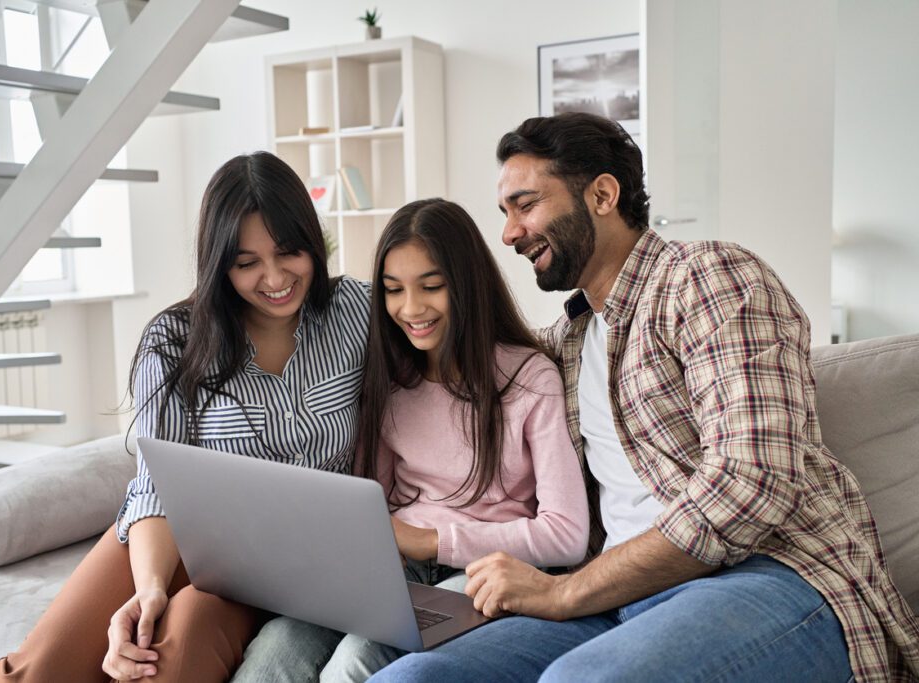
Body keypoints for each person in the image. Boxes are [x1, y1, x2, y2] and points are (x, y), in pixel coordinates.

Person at [371, 114, 919, 682]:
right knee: (408, 679)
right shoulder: (566, 345)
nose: (509, 233)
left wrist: (566, 592)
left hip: (766, 575)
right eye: (504, 214)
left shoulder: (708, 279)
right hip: (614, 600)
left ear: (603, 194)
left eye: (525, 204)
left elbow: (752, 483)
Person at [0, 151, 371, 683]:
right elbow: (155, 484)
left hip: (284, 560)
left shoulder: (357, 312)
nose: (275, 277)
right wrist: (149, 589)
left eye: (289, 252)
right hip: (171, 532)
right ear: (218, 263)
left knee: (173, 646)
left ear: (311, 241)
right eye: (246, 263)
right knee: (43, 668)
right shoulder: (173, 339)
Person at [312, 198, 588, 682]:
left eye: (432, 287)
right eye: (393, 291)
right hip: (397, 568)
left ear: (466, 285)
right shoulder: (390, 382)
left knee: (355, 660)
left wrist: (430, 541)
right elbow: (369, 503)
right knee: (280, 648)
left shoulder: (527, 377)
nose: (411, 309)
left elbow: (567, 535)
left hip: (483, 574)